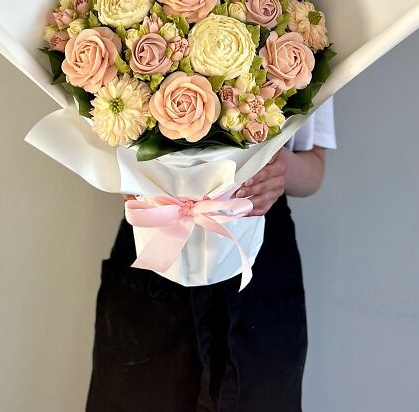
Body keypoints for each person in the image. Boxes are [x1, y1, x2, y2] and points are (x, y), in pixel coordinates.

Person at [86, 97, 337, 412]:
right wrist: (130, 175)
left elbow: (314, 168)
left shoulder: (306, 65)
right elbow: (103, 140)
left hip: (259, 249)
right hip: (156, 239)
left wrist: (279, 169)